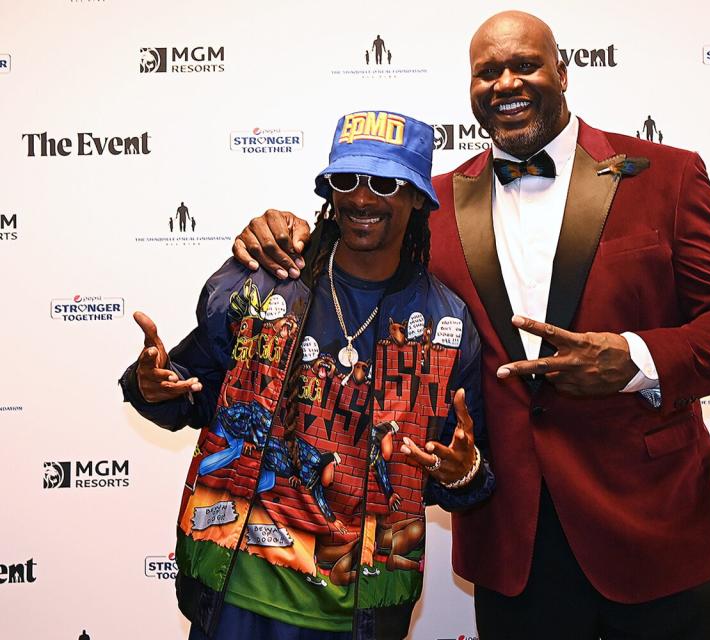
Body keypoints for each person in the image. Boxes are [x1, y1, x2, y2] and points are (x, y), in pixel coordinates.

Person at [233, 11, 710, 639]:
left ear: (564, 73)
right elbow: (346, 250)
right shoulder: (428, 204)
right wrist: (277, 233)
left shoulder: (667, 176)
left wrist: (636, 359)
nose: (505, 83)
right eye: (486, 72)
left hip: (660, 531)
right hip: (512, 549)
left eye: (525, 65)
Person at [120, 110, 494, 640]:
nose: (361, 199)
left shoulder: (446, 324)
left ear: (417, 199)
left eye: (385, 183)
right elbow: (188, 393)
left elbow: (466, 479)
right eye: (346, 180)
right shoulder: (264, 282)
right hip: (234, 591)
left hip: (356, 609)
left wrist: (461, 471)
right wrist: (149, 384)